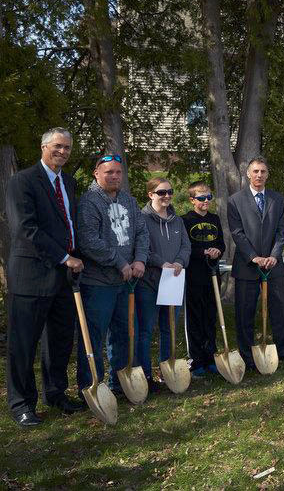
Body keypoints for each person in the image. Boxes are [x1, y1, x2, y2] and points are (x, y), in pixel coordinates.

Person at [5, 128, 86, 426]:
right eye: (57, 146)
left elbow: (69, 225)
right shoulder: (22, 181)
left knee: (60, 340)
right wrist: (66, 257)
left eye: (67, 147)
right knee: (23, 344)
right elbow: (27, 230)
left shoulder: (69, 182)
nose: (63, 152)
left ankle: (56, 392)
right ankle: (22, 403)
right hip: (31, 275)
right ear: (43, 147)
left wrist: (76, 258)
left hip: (64, 278)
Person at [76, 154, 148, 397]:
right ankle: (91, 387)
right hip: (98, 284)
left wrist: (140, 259)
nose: (114, 176)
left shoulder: (128, 200)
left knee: (125, 334)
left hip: (125, 283)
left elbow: (141, 232)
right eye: (108, 172)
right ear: (96, 173)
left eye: (118, 172)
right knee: (93, 339)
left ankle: (119, 385)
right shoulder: (89, 202)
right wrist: (119, 262)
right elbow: (89, 242)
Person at [227, 156, 284, 367]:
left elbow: (281, 232)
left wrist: (274, 255)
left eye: (263, 172)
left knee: (280, 308)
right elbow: (237, 233)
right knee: (245, 311)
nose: (259, 175)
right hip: (247, 265)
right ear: (248, 174)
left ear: (267, 174)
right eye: (255, 171)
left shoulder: (277, 199)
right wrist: (253, 257)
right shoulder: (235, 200)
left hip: (273, 265)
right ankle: (247, 355)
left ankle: (283, 350)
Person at [136, 177, 190, 390]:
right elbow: (141, 249)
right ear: (150, 194)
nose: (167, 196)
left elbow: (186, 246)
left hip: (172, 283)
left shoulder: (177, 220)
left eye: (169, 191)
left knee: (169, 329)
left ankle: (168, 372)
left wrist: (178, 261)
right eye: (161, 192)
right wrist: (161, 262)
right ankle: (145, 376)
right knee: (146, 330)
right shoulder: (141, 219)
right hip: (149, 283)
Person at [181, 181, 225, 377]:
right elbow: (186, 247)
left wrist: (217, 251)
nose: (206, 201)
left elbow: (221, 243)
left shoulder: (215, 219)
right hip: (194, 276)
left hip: (213, 275)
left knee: (210, 317)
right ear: (192, 200)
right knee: (195, 317)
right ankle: (196, 360)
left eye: (209, 197)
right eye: (201, 198)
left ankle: (210, 356)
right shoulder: (185, 220)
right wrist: (202, 252)